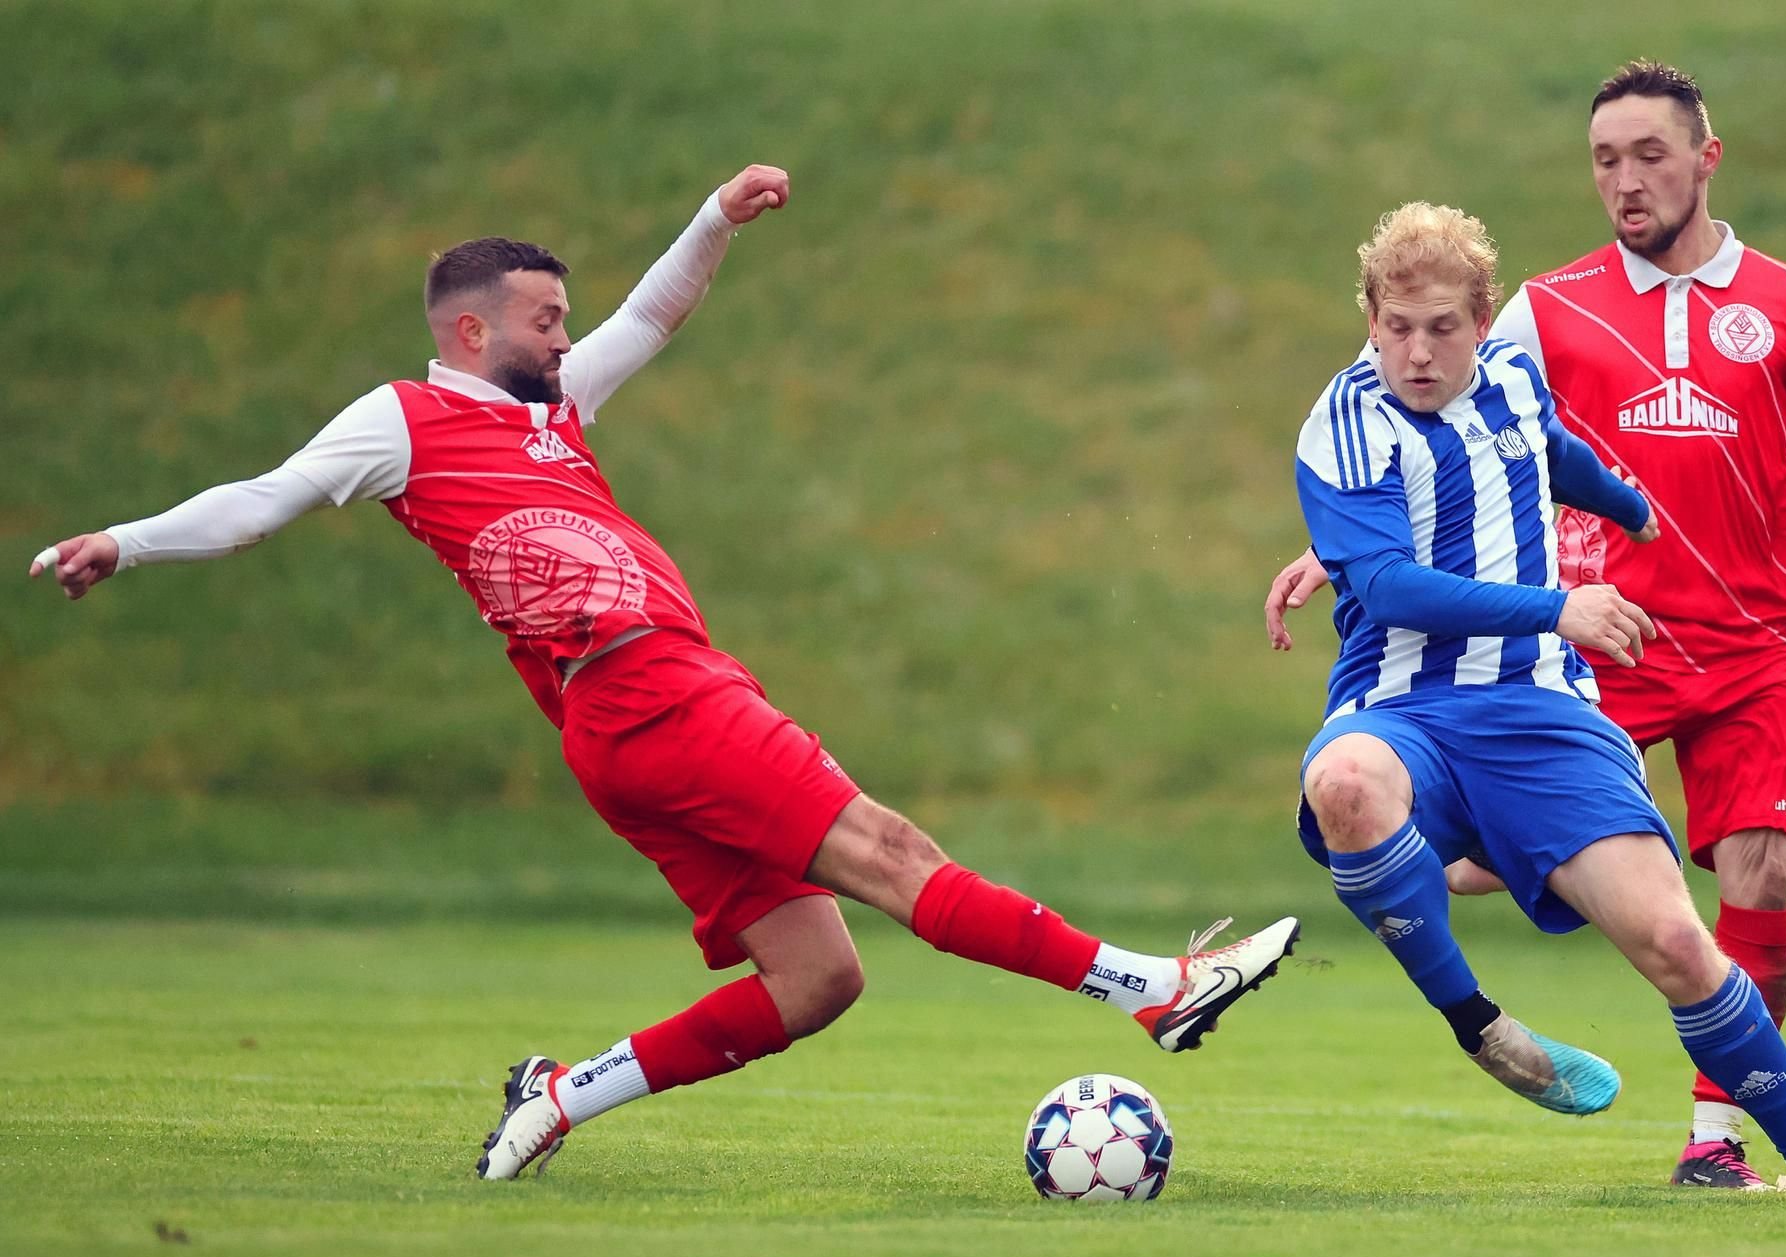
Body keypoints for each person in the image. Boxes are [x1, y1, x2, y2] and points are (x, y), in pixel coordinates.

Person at [29, 164, 1301, 1182]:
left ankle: (560, 1100)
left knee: (817, 980)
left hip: (628, 725)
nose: (565, 335)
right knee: (890, 854)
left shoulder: (552, 411)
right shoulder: (402, 422)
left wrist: (713, 217)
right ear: (469, 330)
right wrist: (123, 542)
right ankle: (1152, 989)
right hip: (650, 691)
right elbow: (261, 502)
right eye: (542, 320)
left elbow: (652, 315)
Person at [1266, 61, 1786, 1190]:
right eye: (1604, 159)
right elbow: (1413, 457)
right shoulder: (1539, 312)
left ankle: (1746, 1149)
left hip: (1733, 645)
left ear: (1706, 158)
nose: (1624, 179)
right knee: (1412, 816)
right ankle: (1471, 993)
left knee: (1737, 889)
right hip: (1586, 640)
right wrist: (1344, 549)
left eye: (1648, 153)